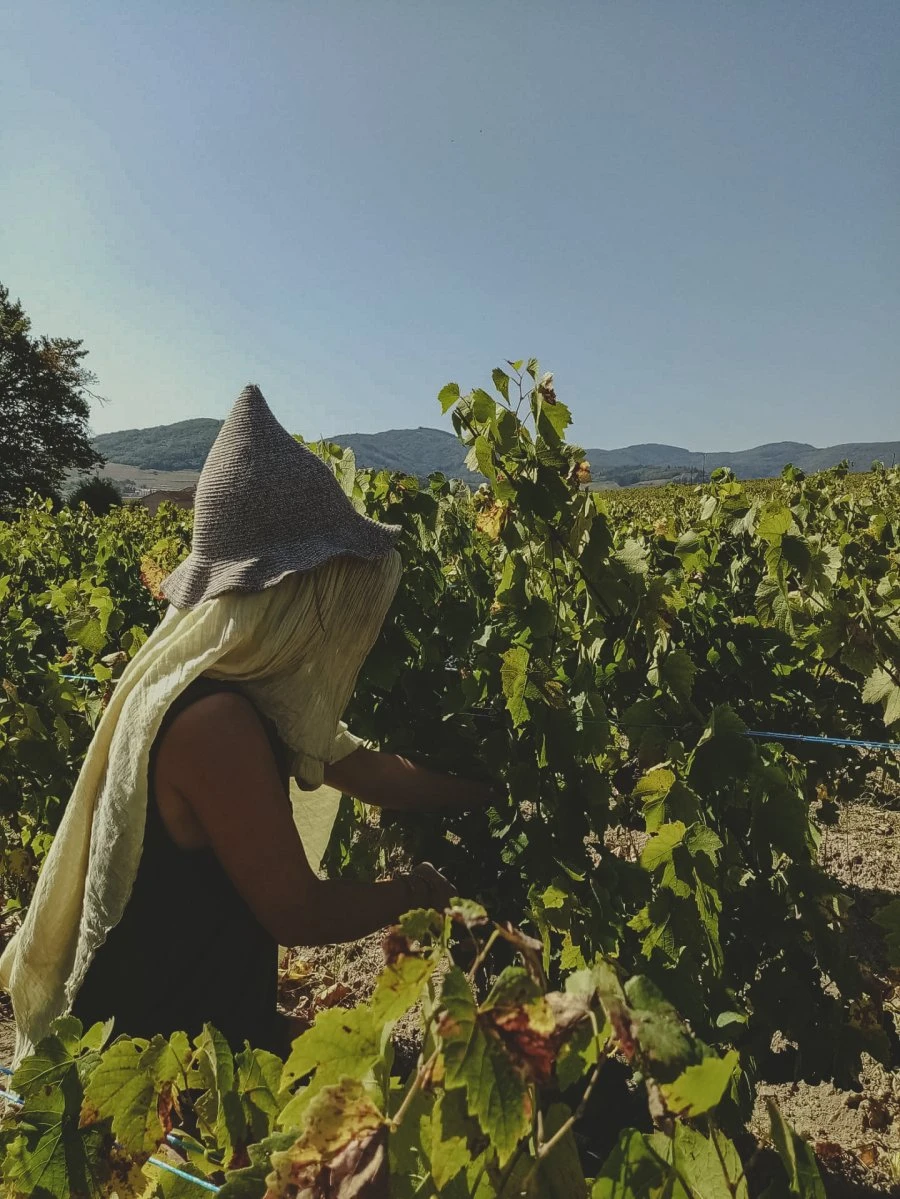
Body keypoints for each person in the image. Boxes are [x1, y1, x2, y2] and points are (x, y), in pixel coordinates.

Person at [0, 385, 493, 1062]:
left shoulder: (227, 686)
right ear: (283, 590)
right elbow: (299, 911)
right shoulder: (216, 724)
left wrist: (482, 791)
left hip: (202, 1025)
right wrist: (416, 894)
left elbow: (368, 771)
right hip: (168, 1063)